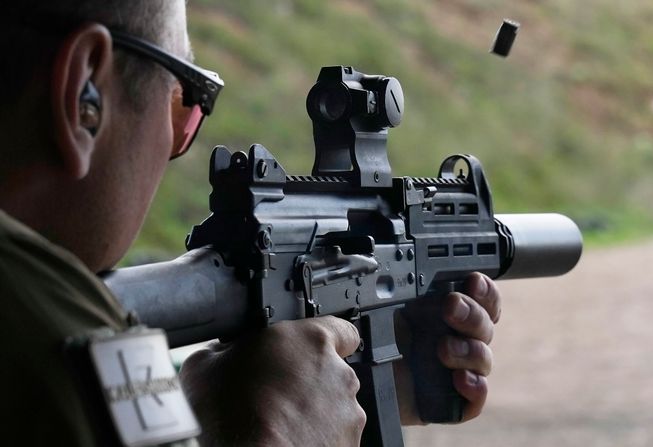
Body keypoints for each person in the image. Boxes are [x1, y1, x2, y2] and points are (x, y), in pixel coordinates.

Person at [0, 1, 502, 445]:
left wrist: (371, 385)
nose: (179, 141)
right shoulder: (54, 342)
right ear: (83, 95)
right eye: (185, 102)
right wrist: (272, 437)